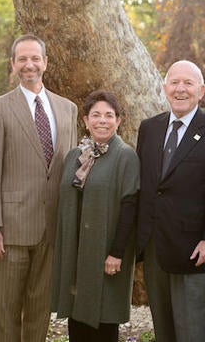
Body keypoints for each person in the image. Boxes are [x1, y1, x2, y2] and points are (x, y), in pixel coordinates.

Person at [0, 33, 78, 342]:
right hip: (11, 231)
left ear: (46, 63)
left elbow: (70, 168)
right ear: (13, 64)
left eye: (35, 58)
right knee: (7, 313)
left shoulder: (67, 109)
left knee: (40, 312)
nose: (29, 64)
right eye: (22, 59)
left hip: (52, 229)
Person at [136, 60, 205, 341]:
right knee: (164, 331)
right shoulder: (149, 129)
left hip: (195, 250)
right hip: (155, 247)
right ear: (165, 87)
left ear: (201, 90)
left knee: (194, 332)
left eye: (188, 83)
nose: (181, 89)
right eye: (175, 82)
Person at [51, 91, 140, 341]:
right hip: (76, 251)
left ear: (119, 120)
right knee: (77, 319)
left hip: (105, 253)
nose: (102, 120)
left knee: (103, 319)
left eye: (109, 115)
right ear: (86, 120)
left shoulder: (126, 156)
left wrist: (117, 253)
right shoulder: (75, 156)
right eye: (96, 115)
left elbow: (130, 207)